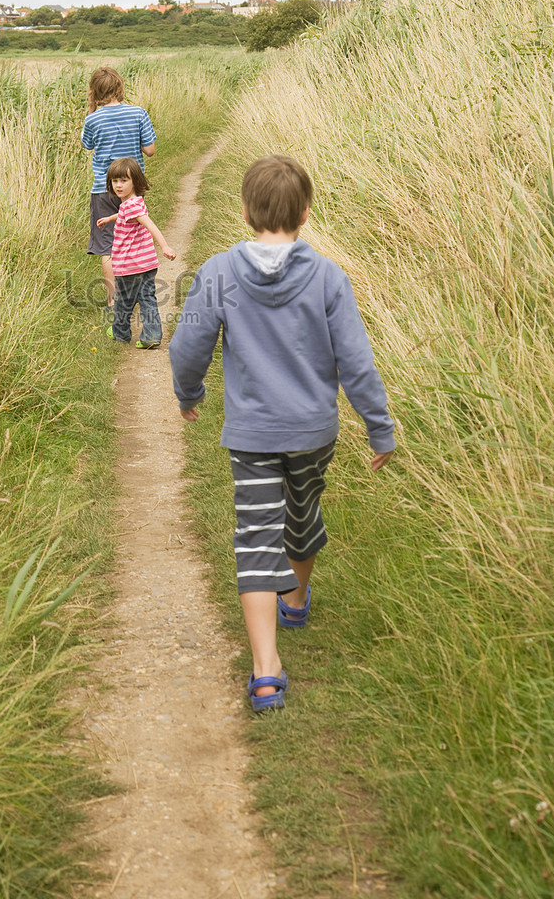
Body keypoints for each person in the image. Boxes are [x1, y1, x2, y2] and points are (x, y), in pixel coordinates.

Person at [168, 155, 395, 712]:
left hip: (251, 433)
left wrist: (190, 394)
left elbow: (187, 346)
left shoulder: (218, 273)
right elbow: (357, 363)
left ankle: (266, 669)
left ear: (244, 212)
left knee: (256, 533)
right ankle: (292, 598)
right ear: (306, 214)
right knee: (302, 510)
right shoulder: (328, 277)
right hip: (314, 431)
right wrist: (378, 427)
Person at [81, 67, 156, 312]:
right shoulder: (139, 113)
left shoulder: (93, 119)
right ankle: (138, 294)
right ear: (120, 88)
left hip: (103, 189)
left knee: (107, 247)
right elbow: (150, 149)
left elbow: (86, 145)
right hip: (133, 188)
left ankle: (114, 302)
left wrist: (91, 111)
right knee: (135, 241)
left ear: (95, 92)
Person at [97, 157, 176, 348]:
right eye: (115, 181)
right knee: (147, 298)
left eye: (124, 181)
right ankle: (151, 336)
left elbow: (150, 225)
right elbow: (126, 214)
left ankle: (120, 333)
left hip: (130, 266)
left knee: (124, 301)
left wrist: (164, 246)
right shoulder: (135, 203)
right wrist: (110, 218)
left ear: (135, 182)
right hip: (147, 263)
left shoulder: (131, 206)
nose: (118, 185)